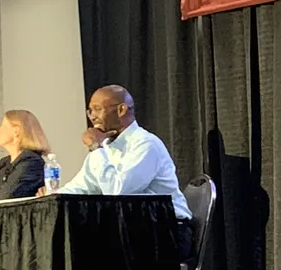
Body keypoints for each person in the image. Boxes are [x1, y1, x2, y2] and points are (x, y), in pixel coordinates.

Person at [49, 85, 195, 259]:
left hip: (166, 231)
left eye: (97, 109)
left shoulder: (145, 144)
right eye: (90, 111)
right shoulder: (107, 148)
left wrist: (96, 147)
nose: (92, 116)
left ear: (121, 109)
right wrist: (52, 197)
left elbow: (117, 192)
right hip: (133, 230)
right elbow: (83, 186)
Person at [0, 110, 50, 202]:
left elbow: (6, 198)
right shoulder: (4, 163)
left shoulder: (31, 163)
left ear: (16, 131)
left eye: (2, 126)